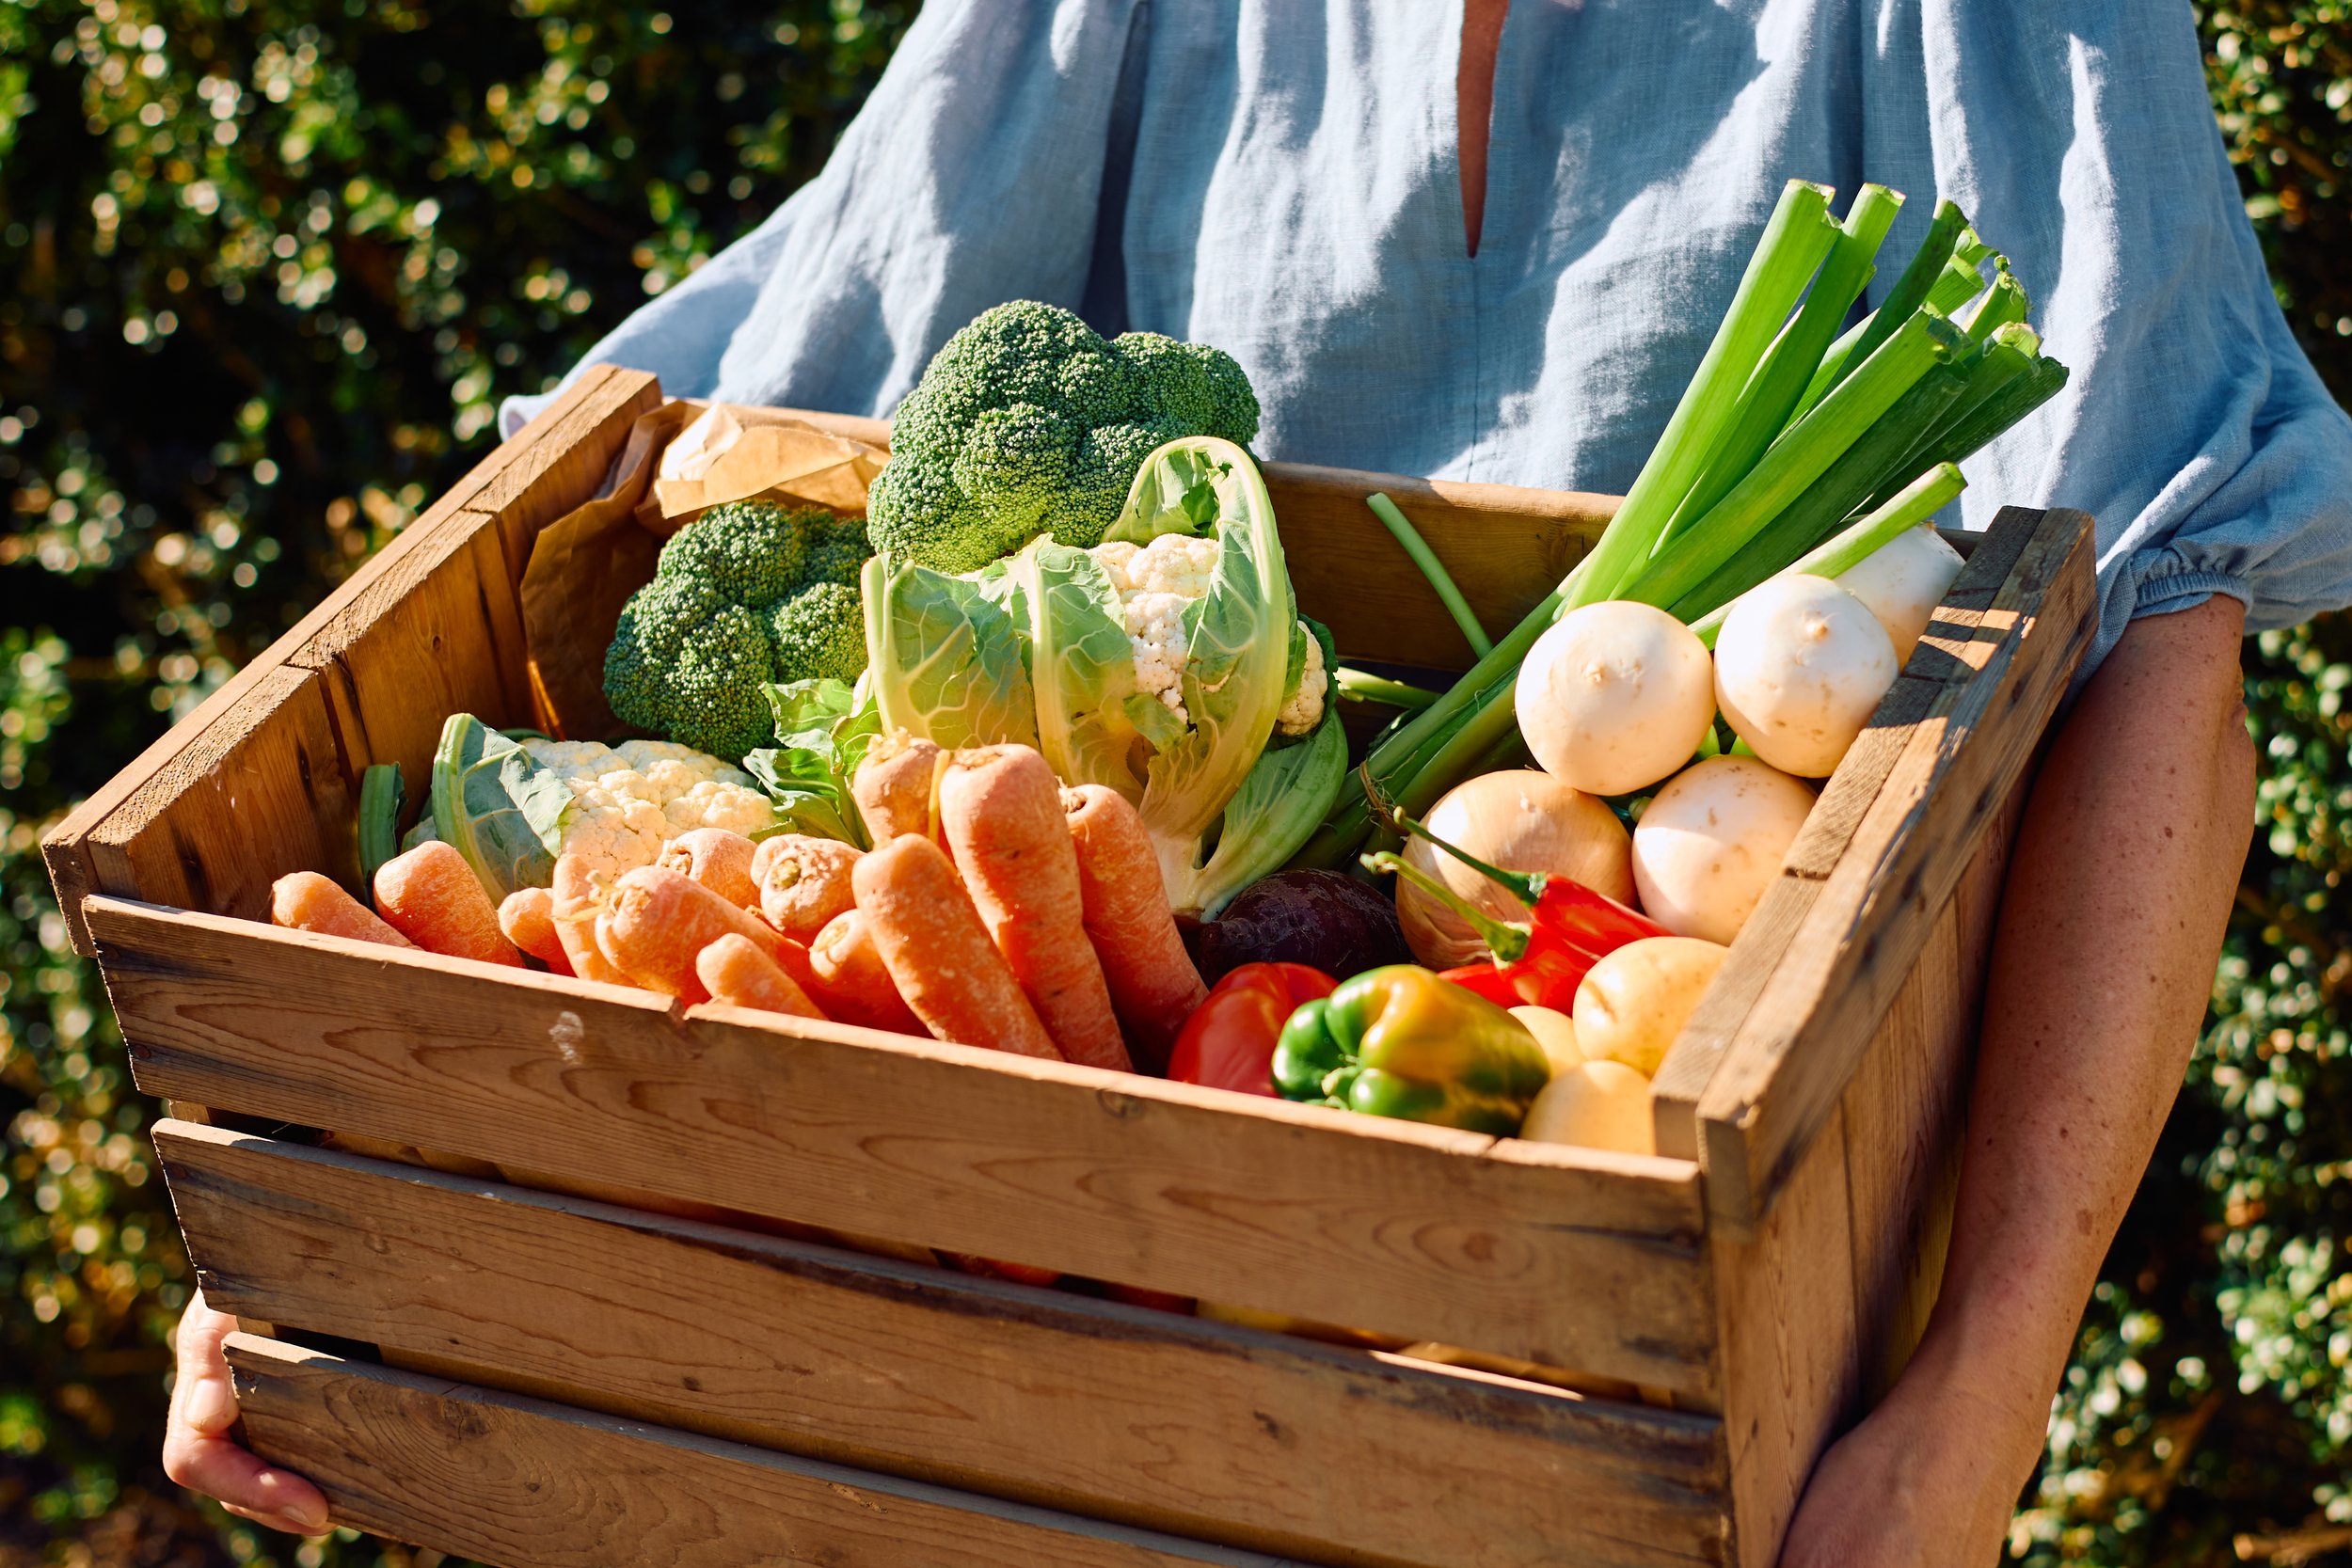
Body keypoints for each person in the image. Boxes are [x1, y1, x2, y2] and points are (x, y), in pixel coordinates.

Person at [169, 3, 2352, 1560]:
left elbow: (2163, 618)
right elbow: (725, 411)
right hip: (1105, 1292)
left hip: (1668, 1300)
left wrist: (1967, 1412)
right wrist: (344, 1172)